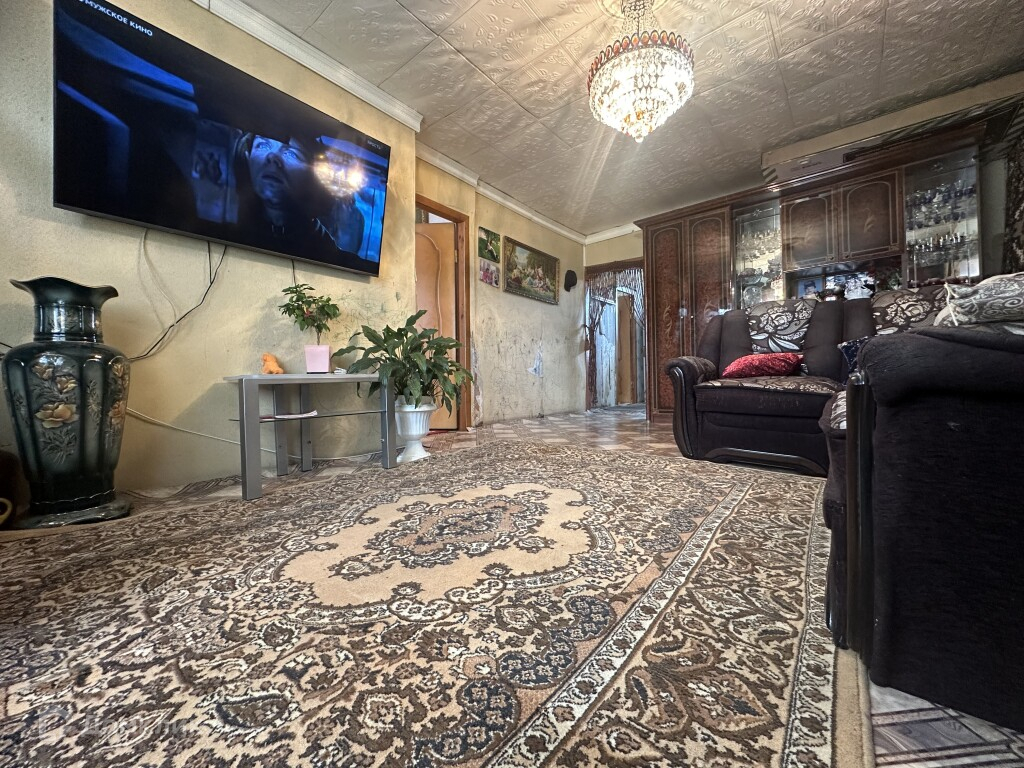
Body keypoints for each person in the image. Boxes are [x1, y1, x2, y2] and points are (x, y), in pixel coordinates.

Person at [235, 132, 369, 271]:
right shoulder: (230, 233)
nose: (272, 158)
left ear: (314, 177)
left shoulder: (330, 255)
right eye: (263, 146)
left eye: (291, 154)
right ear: (247, 157)